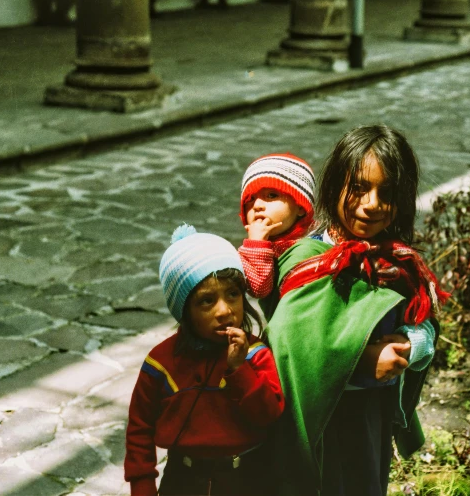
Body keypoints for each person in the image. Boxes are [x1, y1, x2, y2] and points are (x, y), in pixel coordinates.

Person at [266, 125, 449, 496]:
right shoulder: (308, 260)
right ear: (335, 187)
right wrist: (361, 361)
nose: (372, 204)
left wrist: (413, 345)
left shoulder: (395, 262)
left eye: (387, 193)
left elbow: (425, 323)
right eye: (360, 188)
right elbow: (289, 343)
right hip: (322, 423)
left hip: (369, 419)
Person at [124, 224, 285, 496]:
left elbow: (268, 415)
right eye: (207, 301)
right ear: (184, 311)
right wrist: (142, 486)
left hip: (248, 479)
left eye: (233, 295)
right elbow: (140, 428)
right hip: (184, 480)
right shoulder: (161, 362)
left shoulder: (254, 354)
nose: (225, 311)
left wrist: (239, 370)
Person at [238, 153, 315, 301]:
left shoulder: (316, 241)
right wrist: (256, 245)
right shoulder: (258, 247)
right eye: (250, 199)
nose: (257, 206)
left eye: (271, 196)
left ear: (300, 206)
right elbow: (258, 288)